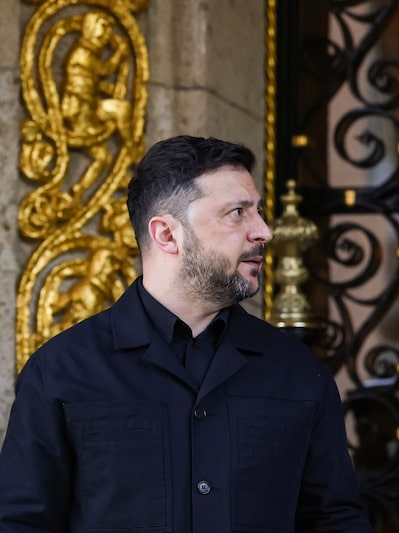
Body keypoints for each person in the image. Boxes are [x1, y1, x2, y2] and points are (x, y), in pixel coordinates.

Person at [0, 135, 373, 532]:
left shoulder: (298, 371)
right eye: (237, 213)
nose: (263, 231)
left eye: (258, 211)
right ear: (166, 234)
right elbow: (21, 523)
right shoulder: (61, 370)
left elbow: (335, 521)